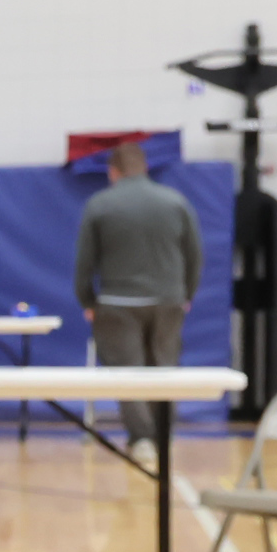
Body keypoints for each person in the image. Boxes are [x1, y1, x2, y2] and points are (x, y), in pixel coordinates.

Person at [75, 137, 202, 468]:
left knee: (127, 373)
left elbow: (85, 261)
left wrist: (87, 299)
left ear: (113, 172)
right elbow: (195, 255)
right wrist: (186, 293)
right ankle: (164, 437)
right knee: (165, 371)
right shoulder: (176, 202)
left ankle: (143, 440)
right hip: (169, 299)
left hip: (117, 302)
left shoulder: (100, 204)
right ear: (144, 169)